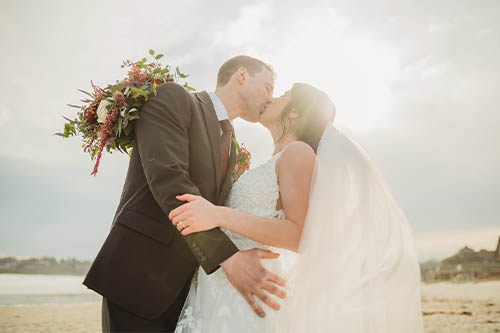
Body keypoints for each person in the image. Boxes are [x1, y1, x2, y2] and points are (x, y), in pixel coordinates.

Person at [172, 83, 424, 332]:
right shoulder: (274, 159)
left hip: (247, 293)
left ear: (294, 112)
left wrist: (220, 215)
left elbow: (298, 235)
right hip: (221, 285)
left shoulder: (298, 153)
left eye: (283, 95)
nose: (272, 98)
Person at [83, 55, 287, 332]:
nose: (269, 98)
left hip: (191, 293)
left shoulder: (234, 147)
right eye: (268, 87)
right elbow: (170, 181)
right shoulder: (174, 98)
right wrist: (229, 258)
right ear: (242, 75)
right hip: (139, 276)